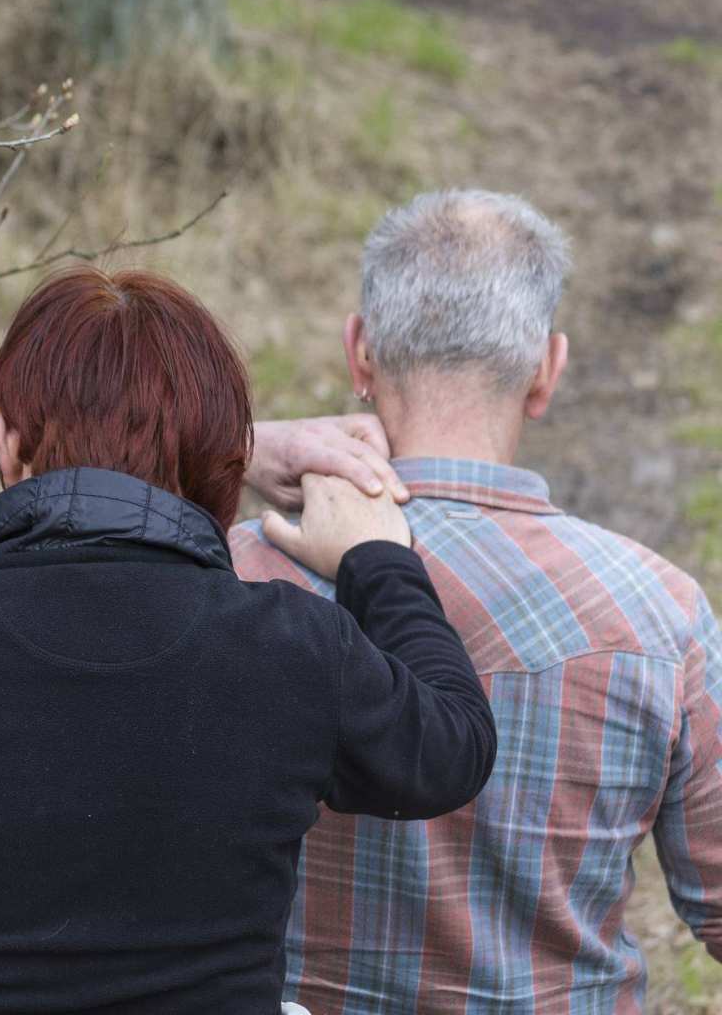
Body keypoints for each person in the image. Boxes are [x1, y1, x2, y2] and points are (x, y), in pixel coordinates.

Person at [0, 266, 496, 1015]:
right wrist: (377, 560)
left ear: (5, 441)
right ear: (227, 464)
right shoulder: (291, 651)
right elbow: (453, 747)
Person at [234, 189, 722, 1014]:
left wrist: (230, 449)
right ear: (547, 371)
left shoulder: (232, 578)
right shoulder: (660, 613)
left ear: (360, 353)